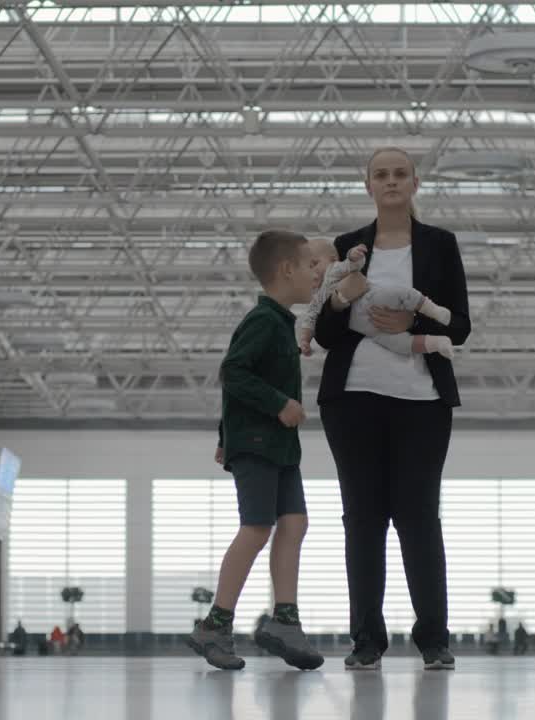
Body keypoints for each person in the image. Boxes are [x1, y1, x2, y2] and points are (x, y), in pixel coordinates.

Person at [313, 146, 471, 672]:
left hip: (423, 401)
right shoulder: (346, 247)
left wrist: (413, 328)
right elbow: (329, 333)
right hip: (352, 399)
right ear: (369, 186)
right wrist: (339, 300)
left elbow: (460, 326)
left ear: (415, 183)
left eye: (400, 173)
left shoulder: (441, 245)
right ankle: (366, 641)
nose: (391, 181)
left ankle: (434, 639)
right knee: (362, 519)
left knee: (420, 517)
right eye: (381, 175)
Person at [192, 229, 325, 672]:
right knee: (256, 529)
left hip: (278, 447)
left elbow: (240, 379)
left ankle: (284, 619)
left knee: (295, 523)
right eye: (310, 264)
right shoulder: (264, 320)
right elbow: (234, 373)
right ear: (286, 269)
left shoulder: (281, 322)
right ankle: (215, 624)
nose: (316, 272)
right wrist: (278, 405)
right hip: (259, 444)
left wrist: (222, 433)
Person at [296, 240, 453, 358]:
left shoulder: (334, 270)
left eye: (315, 263)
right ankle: (437, 343)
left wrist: (353, 255)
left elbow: (352, 265)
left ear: (332, 260)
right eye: (308, 267)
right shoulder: (316, 296)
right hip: (368, 327)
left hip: (372, 299)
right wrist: (304, 340)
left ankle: (434, 310)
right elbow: (310, 319)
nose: (312, 270)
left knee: (400, 293)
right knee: (400, 346)